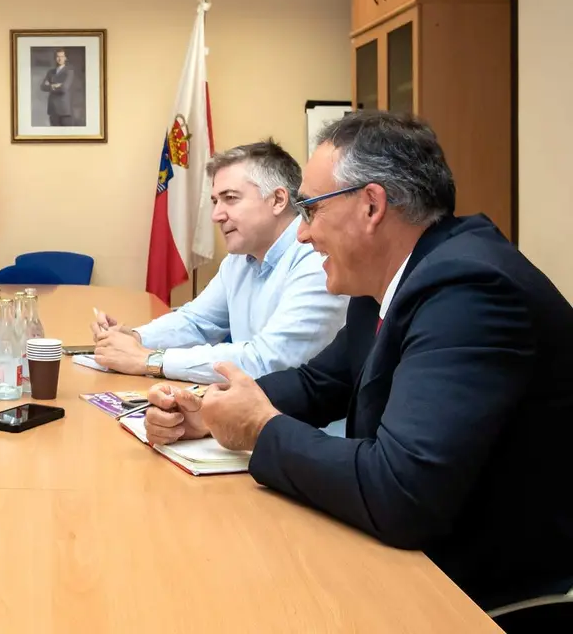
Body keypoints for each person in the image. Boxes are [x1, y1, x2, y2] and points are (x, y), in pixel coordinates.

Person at [142, 111, 573, 611]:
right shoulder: (391, 278)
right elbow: (319, 382)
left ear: (371, 206)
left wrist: (259, 429)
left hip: (477, 595)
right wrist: (209, 410)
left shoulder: (468, 290)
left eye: (310, 210)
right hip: (414, 559)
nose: (301, 235)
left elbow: (401, 491)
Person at [92, 139, 347, 385]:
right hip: (252, 410)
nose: (216, 215)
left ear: (278, 200)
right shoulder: (239, 260)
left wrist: (148, 359)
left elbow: (268, 361)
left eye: (231, 198)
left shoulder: (316, 259)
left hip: (307, 424)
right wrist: (134, 338)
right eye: (215, 201)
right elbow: (196, 322)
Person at [41, 48, 74, 126]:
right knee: (53, 134)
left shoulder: (69, 72)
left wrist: (50, 86)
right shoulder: (50, 72)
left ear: (65, 58)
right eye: (57, 56)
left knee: (65, 135)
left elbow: (64, 88)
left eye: (62, 56)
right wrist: (54, 85)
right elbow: (42, 87)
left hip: (64, 110)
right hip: (52, 109)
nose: (59, 59)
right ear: (55, 58)